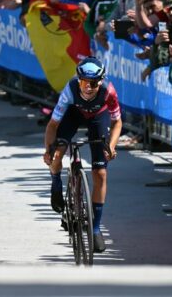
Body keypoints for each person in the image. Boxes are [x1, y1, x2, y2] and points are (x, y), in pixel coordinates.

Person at [43, 57, 122, 253]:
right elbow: (53, 125)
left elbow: (117, 123)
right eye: (84, 82)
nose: (88, 87)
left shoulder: (108, 92)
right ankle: (55, 182)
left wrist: (111, 146)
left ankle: (95, 229)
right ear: (79, 80)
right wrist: (48, 150)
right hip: (73, 113)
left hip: (98, 117)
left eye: (93, 83)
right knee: (57, 155)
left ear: (101, 81)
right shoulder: (70, 90)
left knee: (101, 173)